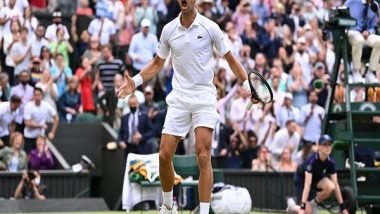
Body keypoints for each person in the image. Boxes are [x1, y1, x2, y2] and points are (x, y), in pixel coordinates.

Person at [117, 0, 258, 211]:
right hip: (179, 98)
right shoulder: (168, 30)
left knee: (203, 154)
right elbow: (157, 63)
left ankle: (202, 211)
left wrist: (248, 86)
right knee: (164, 155)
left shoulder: (210, 27)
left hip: (203, 98)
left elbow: (230, 59)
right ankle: (167, 206)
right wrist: (135, 81)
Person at [286, 135, 349, 214]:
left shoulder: (331, 162)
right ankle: (292, 207)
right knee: (307, 212)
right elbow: (307, 185)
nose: (328, 147)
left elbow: (336, 185)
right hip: (302, 180)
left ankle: (313, 204)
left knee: (331, 187)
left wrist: (343, 208)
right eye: (324, 145)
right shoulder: (312, 161)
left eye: (329, 144)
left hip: (316, 178)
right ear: (319, 146)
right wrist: (302, 207)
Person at [345, 0, 380, 83]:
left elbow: (373, 26)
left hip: (366, 34)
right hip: (352, 32)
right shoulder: (351, 2)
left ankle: (371, 73)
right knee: (358, 39)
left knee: (379, 41)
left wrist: (369, 32)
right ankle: (356, 72)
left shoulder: (374, 5)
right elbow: (340, 14)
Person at [23, 87, 59, 154]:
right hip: (29, 136)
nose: (37, 97)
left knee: (41, 155)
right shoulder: (28, 106)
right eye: (35, 95)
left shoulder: (46, 105)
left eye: (39, 95)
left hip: (40, 137)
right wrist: (41, 125)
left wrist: (52, 132)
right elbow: (27, 123)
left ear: (42, 96)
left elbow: (56, 117)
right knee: (29, 156)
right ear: (33, 96)